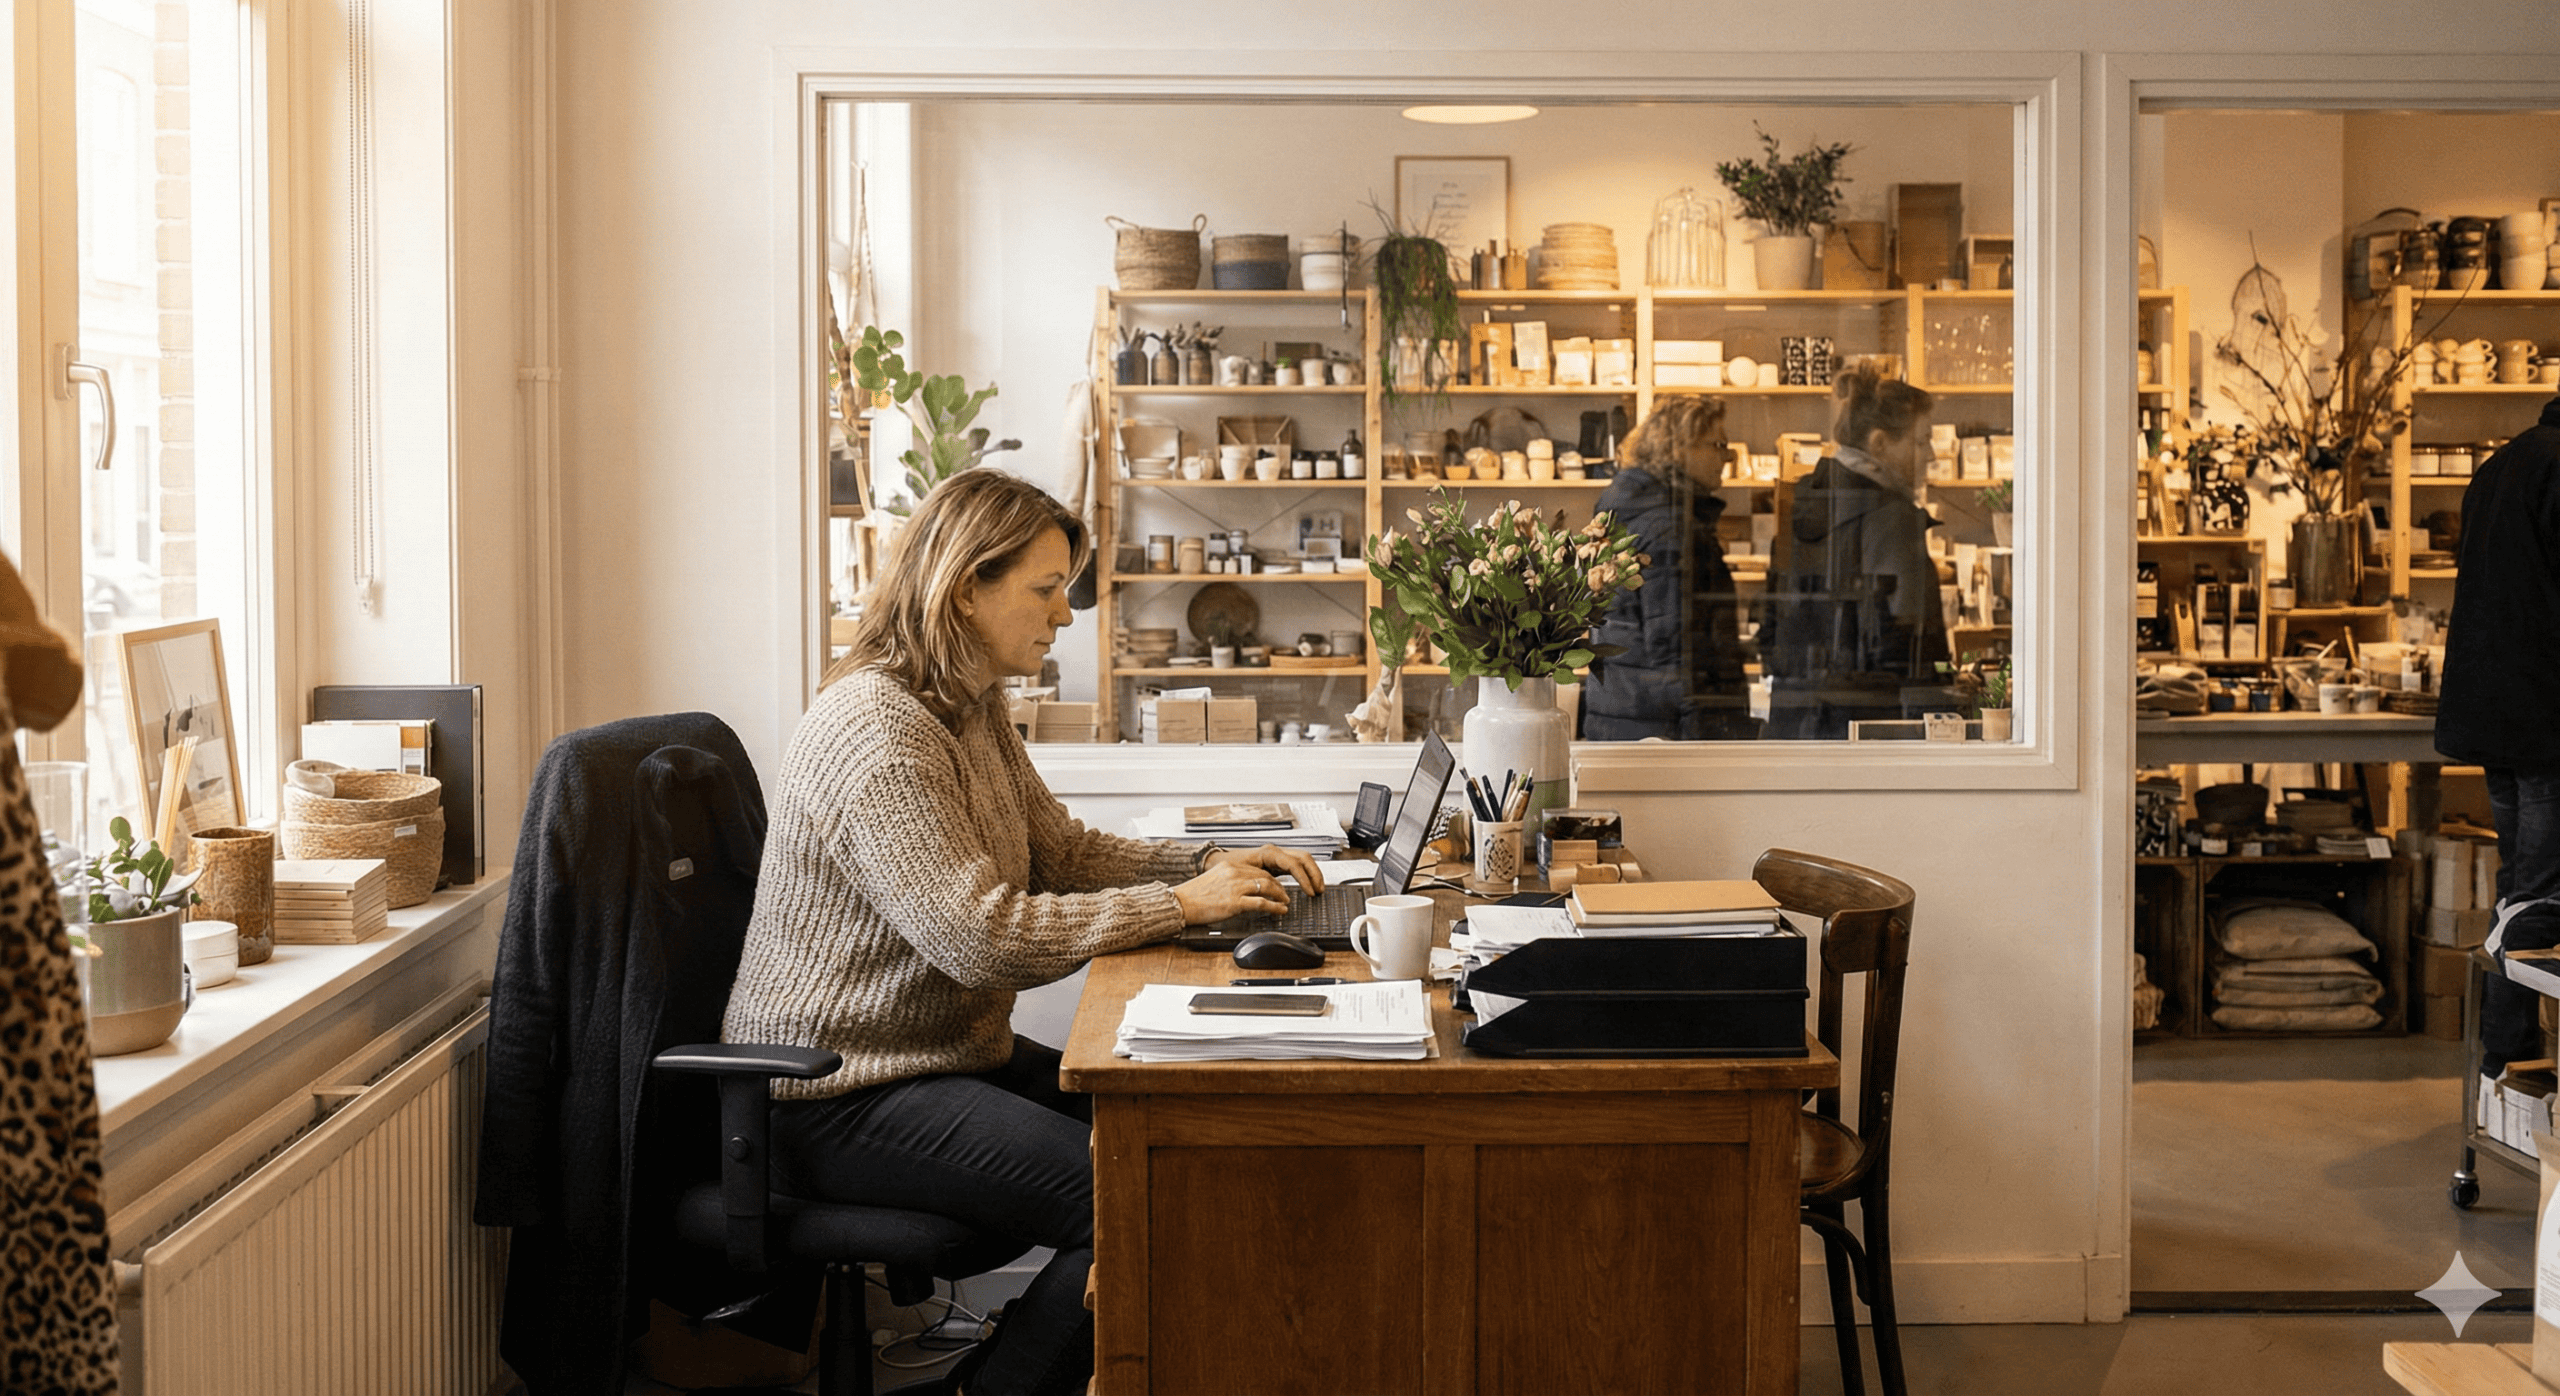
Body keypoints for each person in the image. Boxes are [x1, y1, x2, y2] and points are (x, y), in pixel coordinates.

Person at [721, 468, 1320, 1396]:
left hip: (936, 1059)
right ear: (967, 586)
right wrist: (1181, 907)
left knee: (1189, 1139)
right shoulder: (879, 728)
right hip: (837, 1092)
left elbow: (1061, 852)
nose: (1066, 614)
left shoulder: (966, 701)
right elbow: (980, 938)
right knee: (1135, 1188)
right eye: (1046, 590)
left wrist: (1205, 864)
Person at [2435, 392, 2560, 1075]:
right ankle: (2509, 1065)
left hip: (2498, 715)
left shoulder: (2503, 463)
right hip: (2545, 722)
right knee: (2538, 899)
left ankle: (2507, 1066)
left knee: (2523, 887)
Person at [1762, 370, 1950, 740]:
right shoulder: (1889, 516)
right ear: (1879, 443)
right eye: (1921, 441)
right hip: (1871, 732)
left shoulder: (1804, 500)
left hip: (1802, 725)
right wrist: (1945, 702)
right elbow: (1910, 646)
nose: (1930, 454)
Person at [1578, 396, 1755, 740]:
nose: (1728, 457)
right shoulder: (1670, 527)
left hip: (1628, 718)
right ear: (1681, 448)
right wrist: (1709, 737)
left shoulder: (1632, 511)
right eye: (1719, 445)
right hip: (1664, 734)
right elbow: (1679, 653)